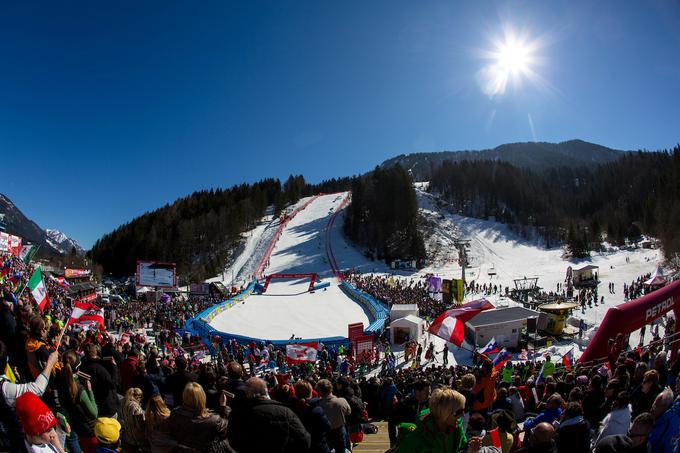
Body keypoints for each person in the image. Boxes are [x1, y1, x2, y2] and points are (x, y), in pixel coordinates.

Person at [228, 377, 310, 452]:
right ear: (266, 391)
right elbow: (304, 440)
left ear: (247, 394)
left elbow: (233, 442)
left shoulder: (237, 414)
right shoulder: (285, 412)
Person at [394, 387, 467, 453]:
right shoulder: (417, 437)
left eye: (464, 410)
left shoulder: (457, 429)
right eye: (459, 412)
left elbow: (462, 446)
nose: (463, 415)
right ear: (444, 413)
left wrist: (471, 447)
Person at [291, 379, 332, 453]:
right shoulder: (317, 410)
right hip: (319, 447)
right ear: (310, 392)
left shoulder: (290, 411)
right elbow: (328, 427)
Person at [316, 378, 351, 453]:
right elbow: (348, 412)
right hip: (339, 431)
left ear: (320, 391)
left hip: (325, 433)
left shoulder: (318, 404)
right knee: (342, 449)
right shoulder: (342, 401)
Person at [120, 387, 146, 452]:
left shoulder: (124, 402)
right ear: (138, 396)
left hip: (128, 433)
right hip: (136, 436)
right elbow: (141, 422)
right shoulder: (135, 406)